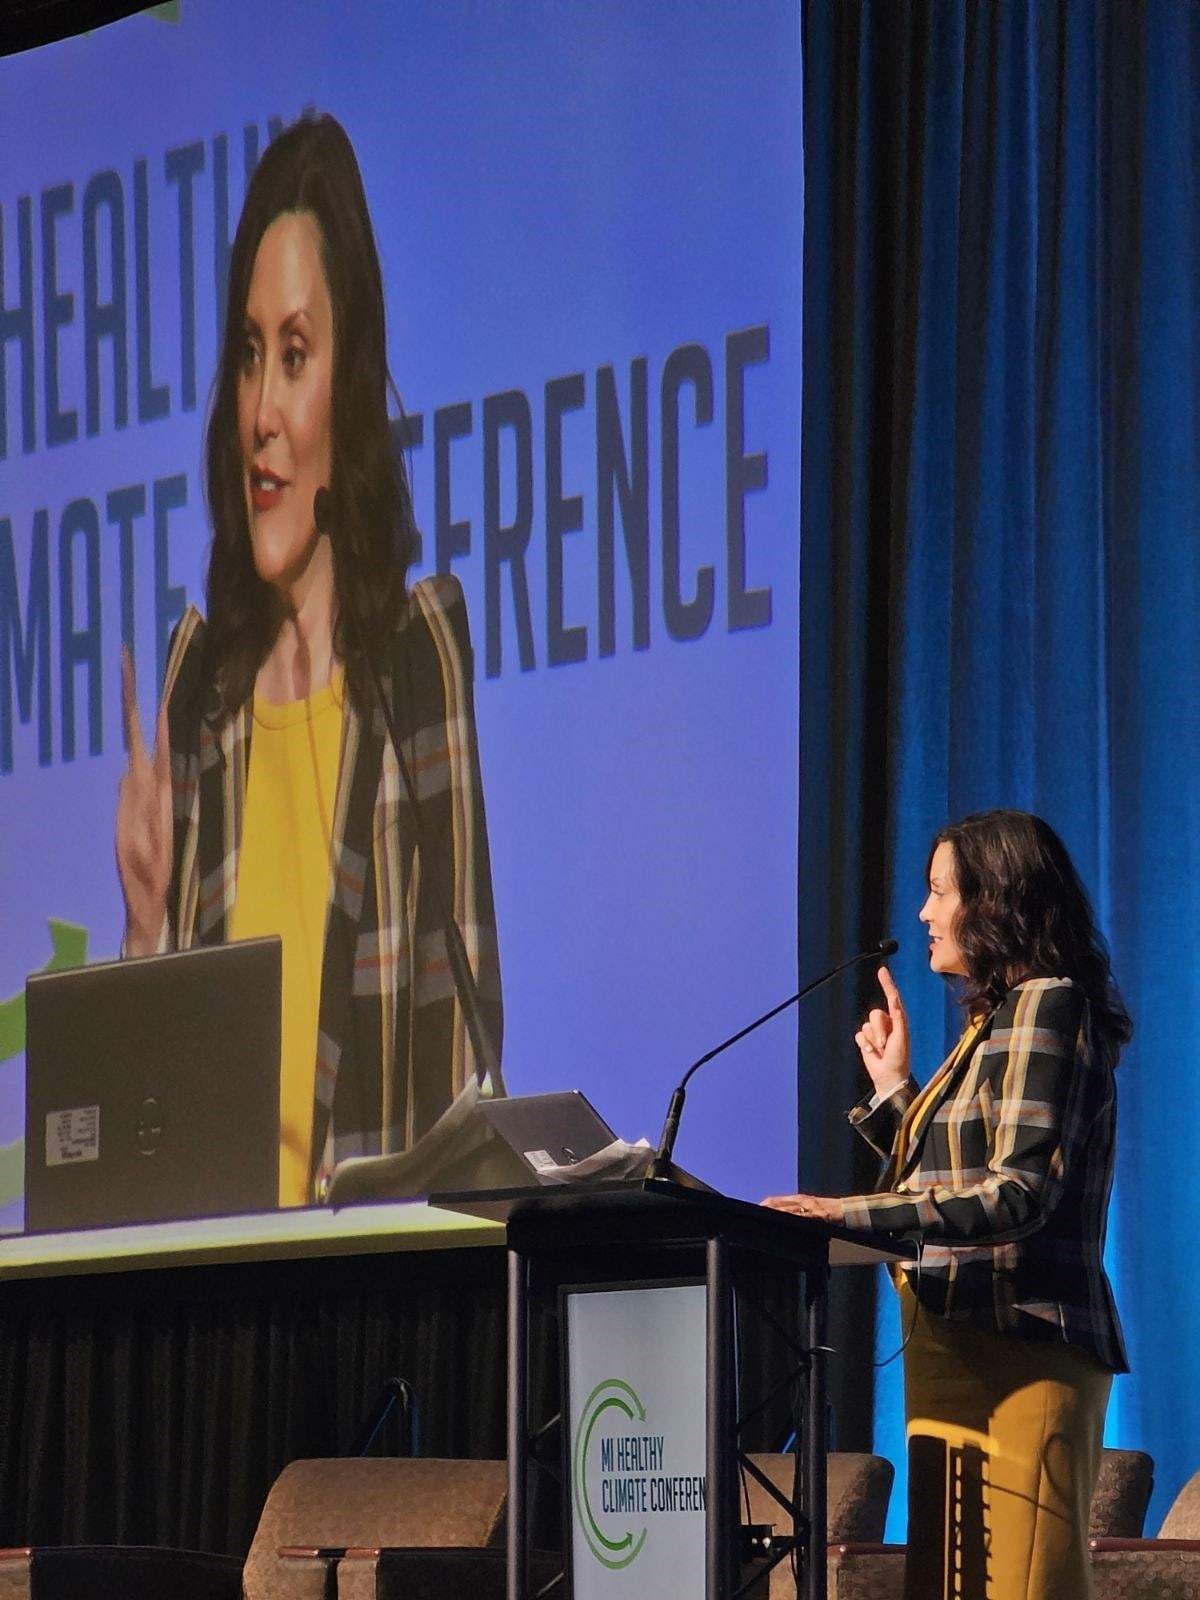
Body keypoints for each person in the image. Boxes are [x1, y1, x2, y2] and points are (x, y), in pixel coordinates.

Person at [114, 113, 502, 1207]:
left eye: (295, 355)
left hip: (366, 1270)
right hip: (222, 1272)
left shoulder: (413, 655)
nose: (265, 415)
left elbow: (465, 1035)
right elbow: (153, 1114)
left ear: (350, 377)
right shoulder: (207, 693)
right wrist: (144, 927)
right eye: (248, 358)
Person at [765, 809, 1130, 1600]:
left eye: (939, 892)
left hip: (1021, 1350)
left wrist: (842, 1213)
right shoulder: (990, 1022)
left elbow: (1018, 1193)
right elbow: (951, 1175)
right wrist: (898, 1090)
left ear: (996, 901)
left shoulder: (1048, 1004)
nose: (925, 914)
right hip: (956, 1353)